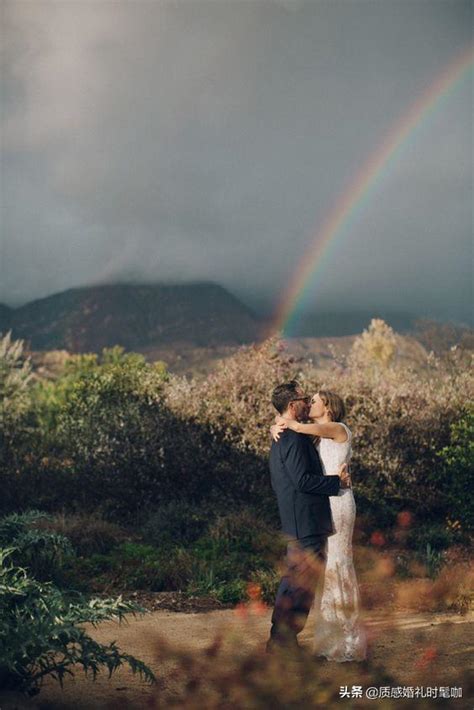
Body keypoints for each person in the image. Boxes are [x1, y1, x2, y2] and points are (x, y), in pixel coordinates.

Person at [271, 389, 367, 662]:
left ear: (328, 406)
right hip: (323, 502)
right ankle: (329, 642)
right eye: (306, 400)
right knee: (323, 572)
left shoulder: (337, 428)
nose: (309, 403)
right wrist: (276, 425)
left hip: (337, 502)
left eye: (313, 400)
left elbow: (296, 425)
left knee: (338, 565)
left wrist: (283, 421)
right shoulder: (313, 435)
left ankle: (347, 643)